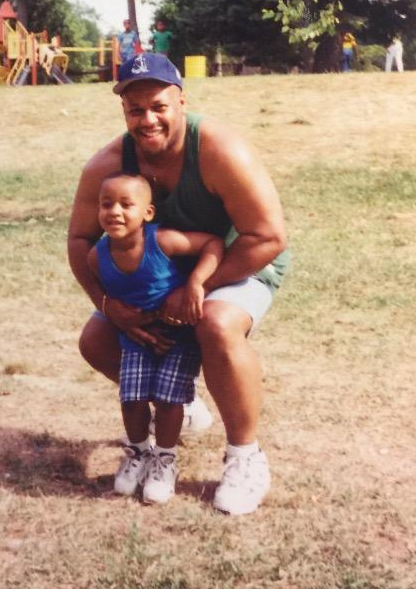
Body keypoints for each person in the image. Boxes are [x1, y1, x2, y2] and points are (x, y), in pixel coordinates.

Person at [68, 52, 290, 515]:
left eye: (159, 107)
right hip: (162, 276)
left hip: (237, 260)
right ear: (124, 111)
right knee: (96, 339)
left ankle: (246, 457)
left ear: (182, 103)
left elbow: (267, 237)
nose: (147, 120)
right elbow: (79, 240)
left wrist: (195, 290)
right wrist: (108, 304)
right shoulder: (108, 165)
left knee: (216, 324)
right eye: (135, 110)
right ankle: (179, 402)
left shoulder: (219, 150)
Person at [88, 172, 224, 504]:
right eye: (106, 204)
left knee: (168, 401)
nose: (115, 212)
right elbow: (110, 297)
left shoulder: (162, 240)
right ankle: (138, 452)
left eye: (126, 205)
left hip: (179, 335)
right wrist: (123, 320)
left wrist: (196, 283)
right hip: (136, 338)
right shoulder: (97, 257)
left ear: (148, 212)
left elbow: (213, 244)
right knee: (131, 398)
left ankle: (165, 459)